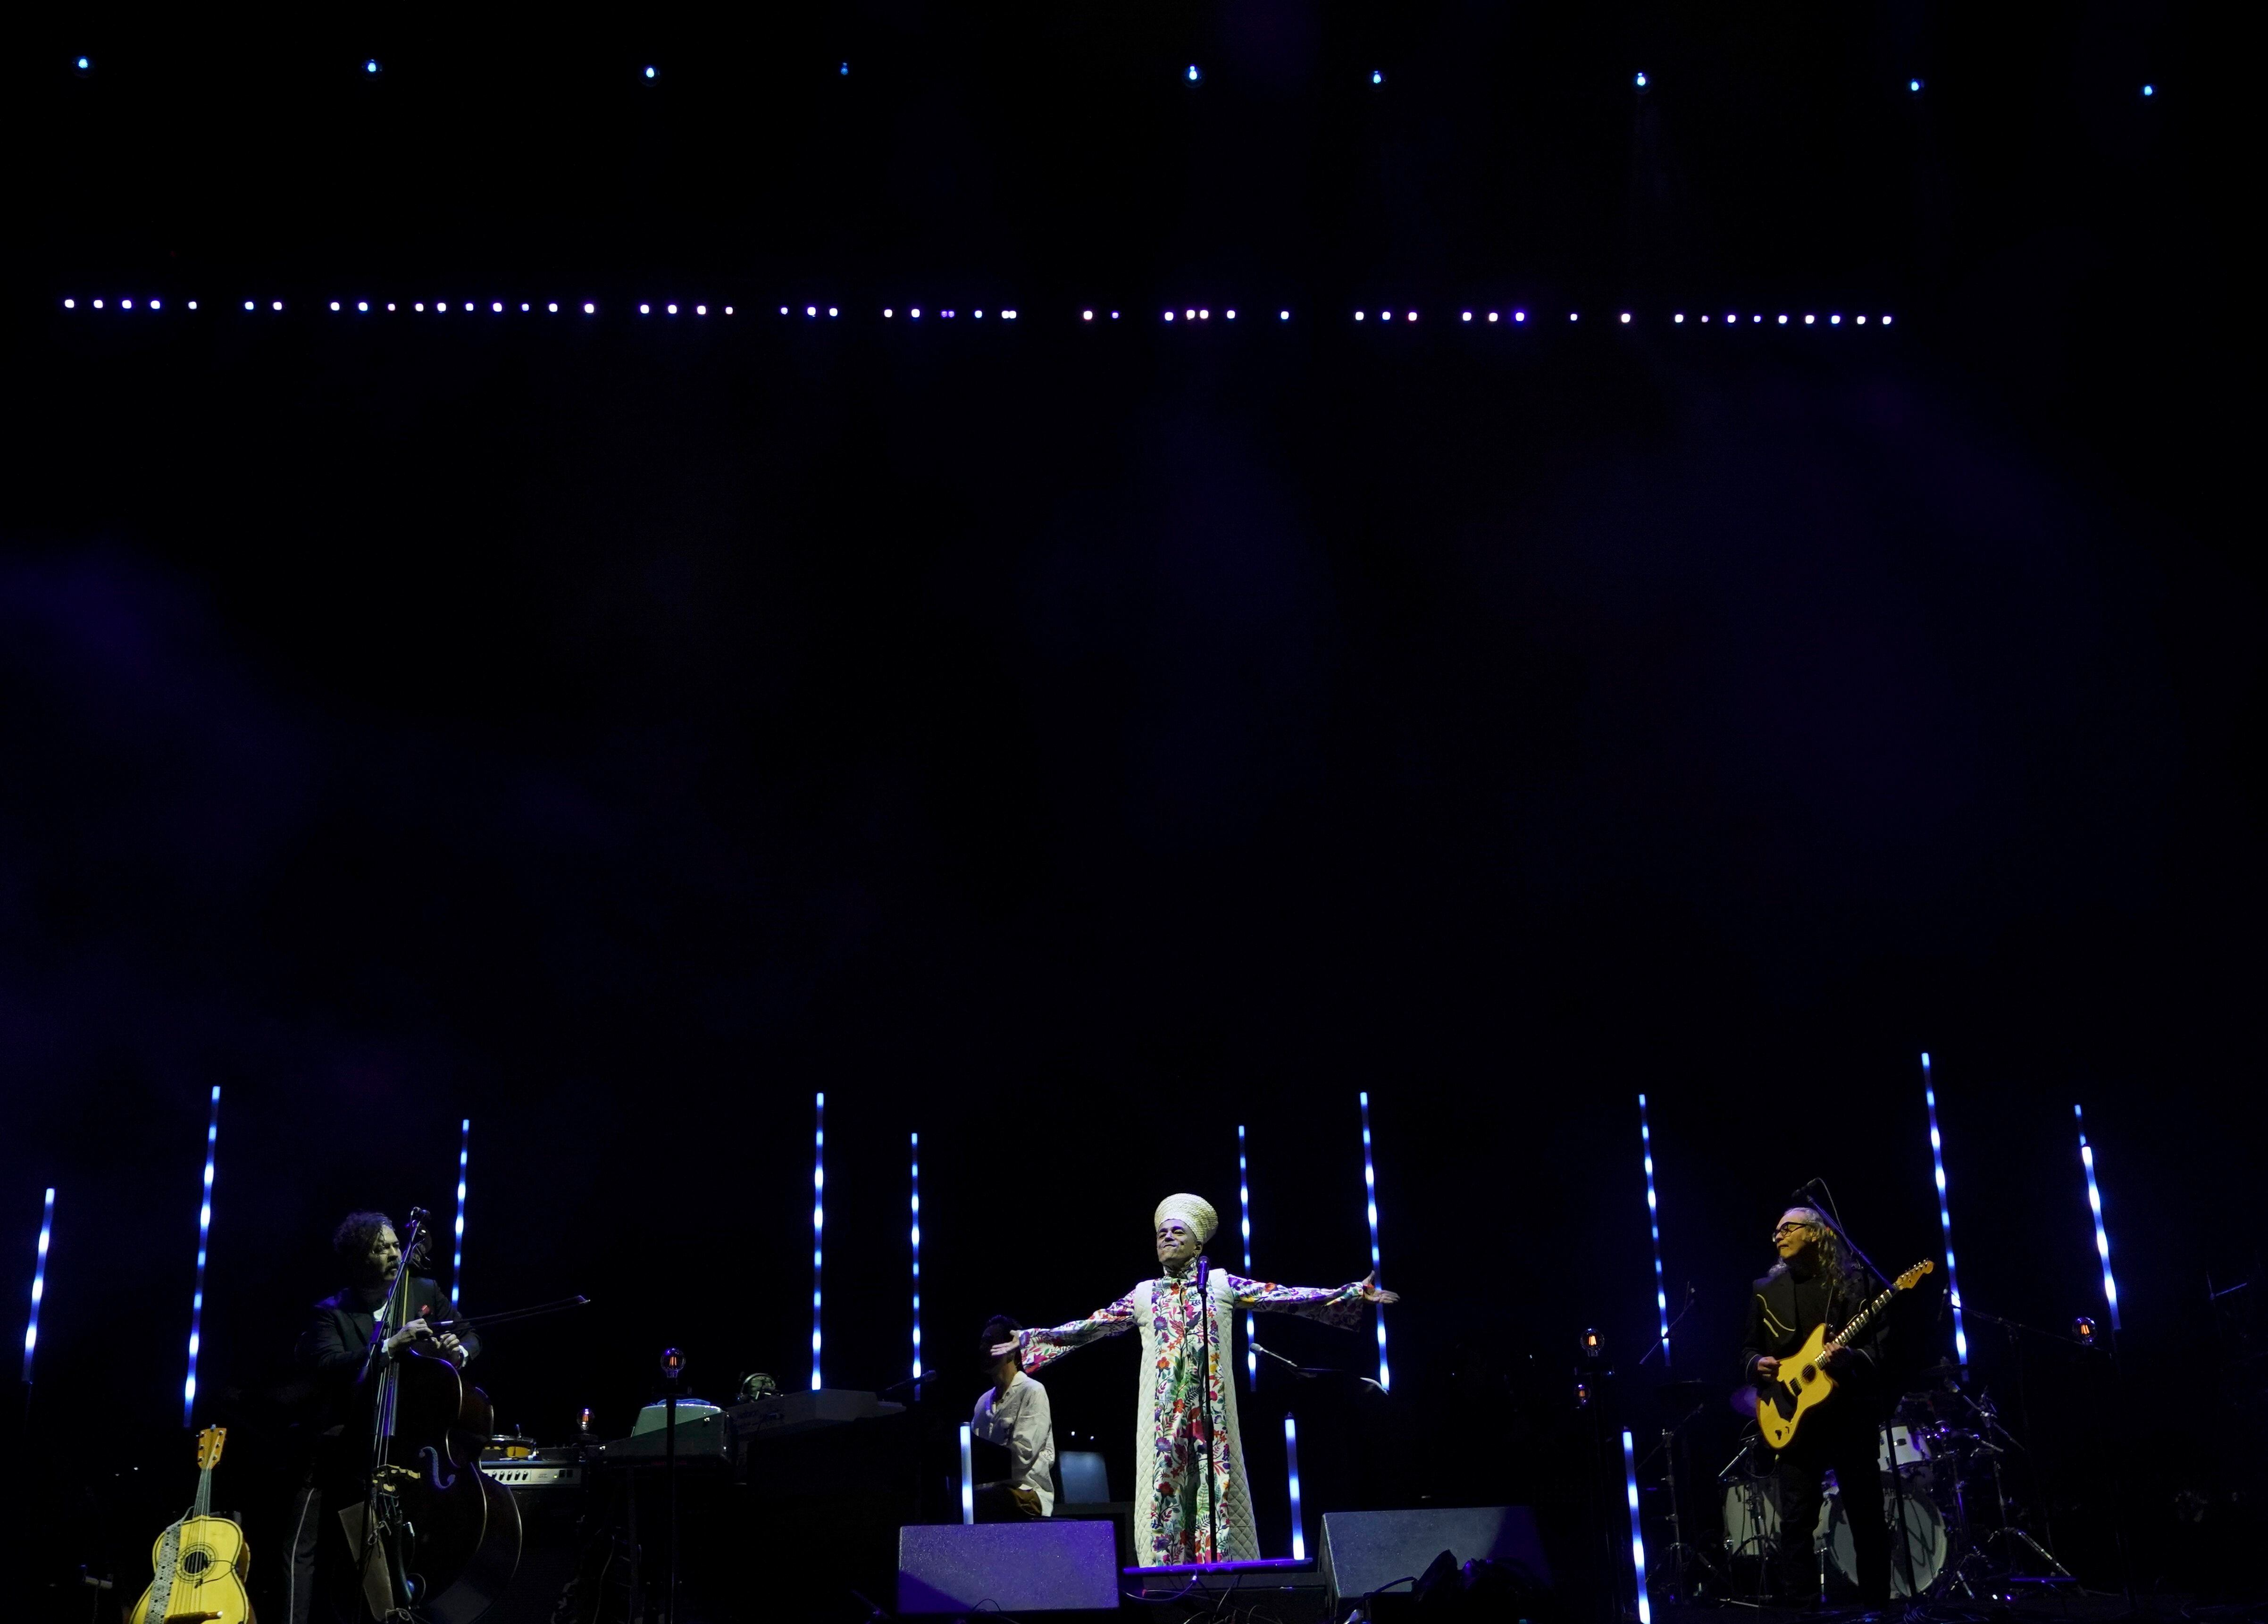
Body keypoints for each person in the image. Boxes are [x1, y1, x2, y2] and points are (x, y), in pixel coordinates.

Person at [997, 1193, 1398, 1565]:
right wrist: (1032, 1338)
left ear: (1197, 1245)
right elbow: (1090, 1327)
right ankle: (1166, 1575)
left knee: (1212, 1484)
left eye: (1177, 1232)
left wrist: (1348, 1295)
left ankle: (1218, 1569)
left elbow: (1283, 1297)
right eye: (1162, 1234)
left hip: (1211, 1413)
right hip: (1162, 1416)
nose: (1167, 1239)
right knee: (1165, 1488)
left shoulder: (1220, 1285)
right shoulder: (1143, 1295)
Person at [284, 1212, 478, 1624]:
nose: (394, 1253)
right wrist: (390, 1344)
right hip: (344, 1446)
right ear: (358, 1261)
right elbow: (330, 1366)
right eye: (381, 1248)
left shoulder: (424, 1290)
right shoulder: (331, 1313)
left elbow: (470, 1334)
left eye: (395, 1244)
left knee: (388, 1549)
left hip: (407, 1444)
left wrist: (458, 1352)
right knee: (304, 1548)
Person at [1740, 1206, 1890, 1606]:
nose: (1778, 1236)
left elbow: (1881, 1346)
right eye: (1775, 1231)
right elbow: (1747, 1350)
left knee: (1866, 1514)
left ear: (1817, 1233)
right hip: (1791, 1416)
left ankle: (1876, 1604)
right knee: (1796, 1519)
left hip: (1848, 1416)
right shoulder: (1764, 1290)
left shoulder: (1855, 1284)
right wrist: (1757, 1364)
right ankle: (1800, 1606)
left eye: (1787, 1228)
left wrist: (1852, 1360)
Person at [970, 1315, 1056, 1520]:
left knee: (989, 1500)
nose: (983, 1348)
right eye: (982, 1342)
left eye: (991, 1341)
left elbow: (1024, 1453)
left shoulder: (1033, 1391)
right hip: (989, 1493)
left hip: (1027, 1493)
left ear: (1012, 1352)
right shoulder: (983, 1402)